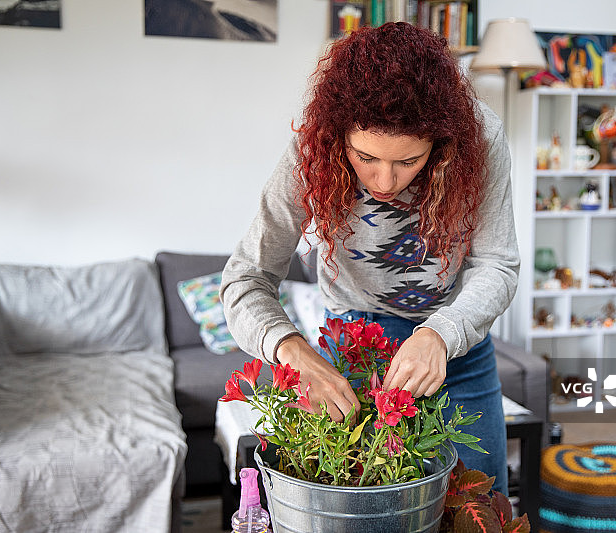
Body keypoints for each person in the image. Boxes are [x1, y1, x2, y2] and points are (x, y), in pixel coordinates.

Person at [220, 22, 519, 493]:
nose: (384, 182)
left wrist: (441, 335)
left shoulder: (479, 137)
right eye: (365, 157)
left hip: (454, 347)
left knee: (480, 505)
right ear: (340, 136)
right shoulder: (313, 146)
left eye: (408, 161)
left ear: (440, 142)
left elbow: (497, 264)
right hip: (354, 344)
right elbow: (245, 279)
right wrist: (293, 352)